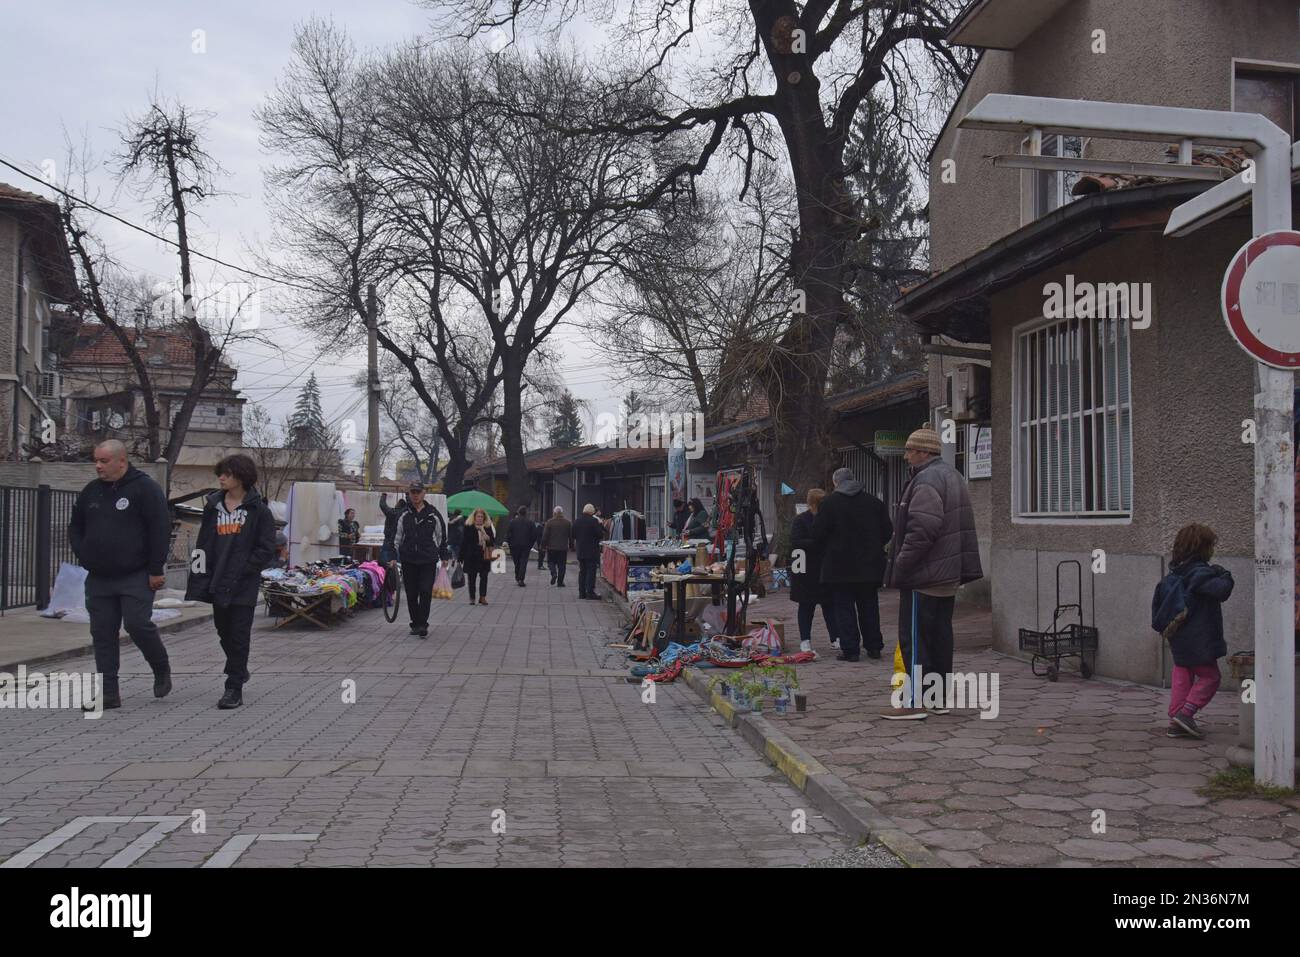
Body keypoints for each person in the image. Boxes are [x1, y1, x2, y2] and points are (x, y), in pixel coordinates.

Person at [883, 424, 983, 720]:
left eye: (910, 450)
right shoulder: (953, 475)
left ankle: (915, 702)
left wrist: (901, 562)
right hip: (947, 575)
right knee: (941, 638)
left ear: (925, 452)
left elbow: (923, 528)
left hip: (923, 576)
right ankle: (938, 699)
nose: (906, 456)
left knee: (916, 639)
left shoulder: (926, 480)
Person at [68, 439, 172, 711]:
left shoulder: (145, 489)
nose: (98, 466)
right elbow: (76, 526)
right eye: (96, 461)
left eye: (104, 461)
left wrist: (155, 569)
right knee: (102, 634)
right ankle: (109, 693)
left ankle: (160, 667)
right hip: (99, 577)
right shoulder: (91, 492)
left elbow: (159, 530)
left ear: (122, 461)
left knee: (137, 624)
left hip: (135, 574)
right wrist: (84, 553)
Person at [185, 454, 277, 709]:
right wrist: (199, 576)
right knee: (223, 631)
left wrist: (246, 568)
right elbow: (203, 543)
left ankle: (233, 687)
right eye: (220, 474)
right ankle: (239, 667)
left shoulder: (258, 510)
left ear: (241, 476)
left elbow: (266, 547)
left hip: (243, 583)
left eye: (226, 473)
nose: (221, 478)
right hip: (217, 580)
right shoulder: (213, 506)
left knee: (238, 635)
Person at [1153, 523, 1234, 739]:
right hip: (1200, 639)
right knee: (1211, 677)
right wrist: (1224, 574)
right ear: (1203, 548)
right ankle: (1187, 713)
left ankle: (1175, 720)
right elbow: (1222, 591)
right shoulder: (1200, 574)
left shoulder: (1173, 575)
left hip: (1179, 637)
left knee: (1182, 673)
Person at [813, 467, 892, 663]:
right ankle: (874, 647)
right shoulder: (874, 502)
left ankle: (850, 650)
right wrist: (873, 547)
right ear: (854, 480)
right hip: (869, 566)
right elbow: (887, 531)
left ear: (836, 483)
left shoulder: (829, 504)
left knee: (844, 608)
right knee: (869, 606)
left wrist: (830, 550)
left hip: (839, 567)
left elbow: (818, 533)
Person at [394, 482, 450, 638]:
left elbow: (441, 538)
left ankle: (423, 624)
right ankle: (415, 623)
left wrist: (444, 556)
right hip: (408, 559)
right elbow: (396, 537)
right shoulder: (404, 514)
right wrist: (392, 557)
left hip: (428, 560)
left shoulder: (433, 514)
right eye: (413, 492)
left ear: (424, 493)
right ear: (409, 494)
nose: (415, 495)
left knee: (425, 591)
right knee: (411, 594)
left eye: (418, 492)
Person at [789, 488, 838, 655]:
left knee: (829, 606)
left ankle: (835, 638)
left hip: (825, 568)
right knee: (806, 607)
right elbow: (796, 542)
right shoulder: (801, 520)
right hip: (806, 570)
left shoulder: (829, 520)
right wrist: (818, 543)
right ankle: (805, 640)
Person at [458, 507, 497, 605]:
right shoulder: (468, 527)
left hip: (484, 556)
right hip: (471, 556)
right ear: (474, 517)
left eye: (481, 517)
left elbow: (492, 542)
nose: (479, 518)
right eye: (478, 516)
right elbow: (464, 542)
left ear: (484, 518)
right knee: (472, 578)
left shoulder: (487, 527)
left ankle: (482, 597)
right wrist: (460, 557)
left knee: (484, 577)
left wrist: (486, 536)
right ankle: (472, 597)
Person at [573, 503, 607, 600]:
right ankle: (590, 593)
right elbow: (600, 535)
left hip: (580, 551)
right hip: (591, 551)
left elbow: (573, 534)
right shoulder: (593, 521)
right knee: (591, 572)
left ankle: (581, 593)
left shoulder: (577, 521)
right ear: (592, 512)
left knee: (582, 571)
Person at [542, 506, 572, 586]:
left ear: (554, 513)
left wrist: (543, 546)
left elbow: (545, 536)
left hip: (551, 547)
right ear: (562, 513)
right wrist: (572, 546)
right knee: (562, 565)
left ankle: (554, 573)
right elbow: (571, 536)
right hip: (563, 548)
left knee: (550, 562)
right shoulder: (567, 523)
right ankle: (560, 582)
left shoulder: (550, 522)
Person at [505, 506, 535, 587]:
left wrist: (509, 543)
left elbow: (508, 534)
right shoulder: (530, 523)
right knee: (523, 562)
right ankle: (521, 579)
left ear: (518, 512)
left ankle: (518, 576)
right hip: (526, 546)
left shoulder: (512, 522)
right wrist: (530, 545)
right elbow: (533, 536)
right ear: (526, 513)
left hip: (514, 546)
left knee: (517, 562)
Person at [379, 491, 409, 564]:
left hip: (388, 539)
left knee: (385, 562)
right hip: (400, 540)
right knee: (399, 562)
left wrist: (384, 495)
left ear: (397, 505)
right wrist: (407, 495)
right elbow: (410, 504)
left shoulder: (390, 512)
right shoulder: (405, 512)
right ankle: (397, 573)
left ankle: (386, 572)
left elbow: (382, 505)